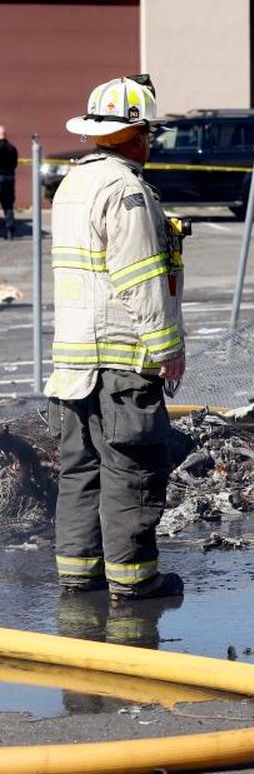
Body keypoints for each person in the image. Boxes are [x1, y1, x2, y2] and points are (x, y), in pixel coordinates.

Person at [46, 75, 187, 601]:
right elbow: (142, 279)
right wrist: (167, 348)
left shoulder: (74, 184)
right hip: (121, 358)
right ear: (135, 134)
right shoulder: (127, 191)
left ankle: (78, 574)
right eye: (146, 131)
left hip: (75, 362)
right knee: (131, 468)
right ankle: (135, 579)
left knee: (79, 471)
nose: (149, 141)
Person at [0, 126, 17, 239]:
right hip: (9, 179)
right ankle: (10, 230)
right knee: (8, 206)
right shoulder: (12, 148)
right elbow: (14, 164)